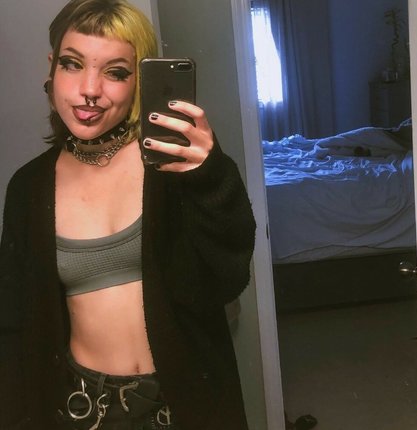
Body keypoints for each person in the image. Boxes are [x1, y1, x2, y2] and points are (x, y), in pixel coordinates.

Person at [0, 0, 256, 429]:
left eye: (116, 72)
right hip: (83, 407)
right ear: (52, 69)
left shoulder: (174, 165)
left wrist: (211, 178)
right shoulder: (28, 187)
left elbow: (224, 281)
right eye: (72, 64)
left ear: (140, 81)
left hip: (184, 400)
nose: (89, 89)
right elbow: (14, 320)